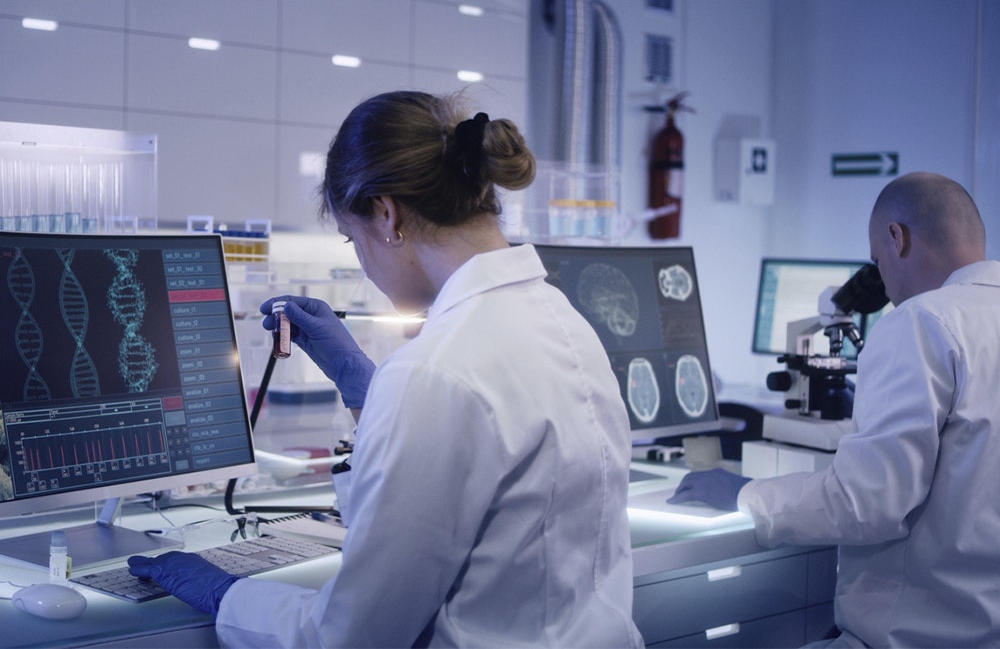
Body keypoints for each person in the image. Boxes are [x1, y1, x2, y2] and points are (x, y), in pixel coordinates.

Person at [128, 90, 644, 648]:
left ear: (386, 213)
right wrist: (363, 387)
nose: (363, 264)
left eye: (353, 239)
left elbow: (351, 637)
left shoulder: (435, 370)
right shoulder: (562, 320)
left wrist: (227, 596)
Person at [670, 171, 1000, 647]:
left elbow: (865, 502)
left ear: (896, 237)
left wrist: (745, 494)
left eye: (877, 262)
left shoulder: (922, 321)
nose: (882, 283)